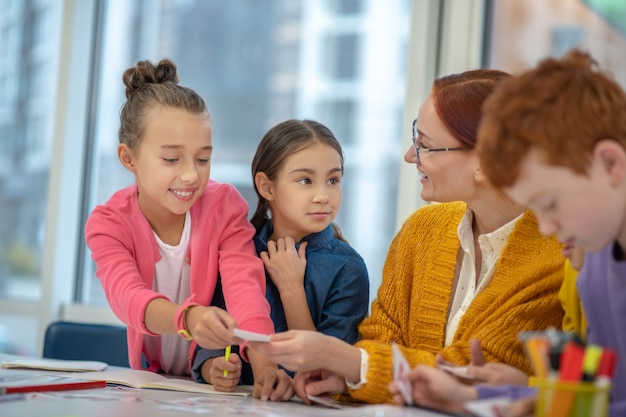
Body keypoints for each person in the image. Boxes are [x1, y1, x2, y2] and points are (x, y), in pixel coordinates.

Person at [248, 69, 566, 404]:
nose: (410, 156)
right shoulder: (421, 230)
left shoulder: (559, 258)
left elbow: (481, 371)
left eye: (425, 145)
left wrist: (354, 365)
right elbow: (379, 341)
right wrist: (350, 375)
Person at [390, 49, 626, 416]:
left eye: (550, 202)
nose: (546, 227)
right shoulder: (593, 266)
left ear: (611, 165)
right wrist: (488, 396)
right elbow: (600, 400)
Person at [84, 58, 292, 401]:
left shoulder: (224, 206)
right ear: (129, 158)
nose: (191, 176)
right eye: (171, 159)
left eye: (202, 159)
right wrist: (189, 319)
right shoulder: (109, 223)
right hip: (153, 384)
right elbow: (128, 298)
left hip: (208, 385)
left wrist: (266, 365)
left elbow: (245, 288)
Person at [192, 119, 370, 391]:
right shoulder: (236, 250)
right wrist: (214, 367)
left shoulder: (348, 268)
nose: (323, 196)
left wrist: (291, 290)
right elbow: (212, 338)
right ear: (267, 187)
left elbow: (329, 370)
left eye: (333, 180)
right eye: (305, 180)